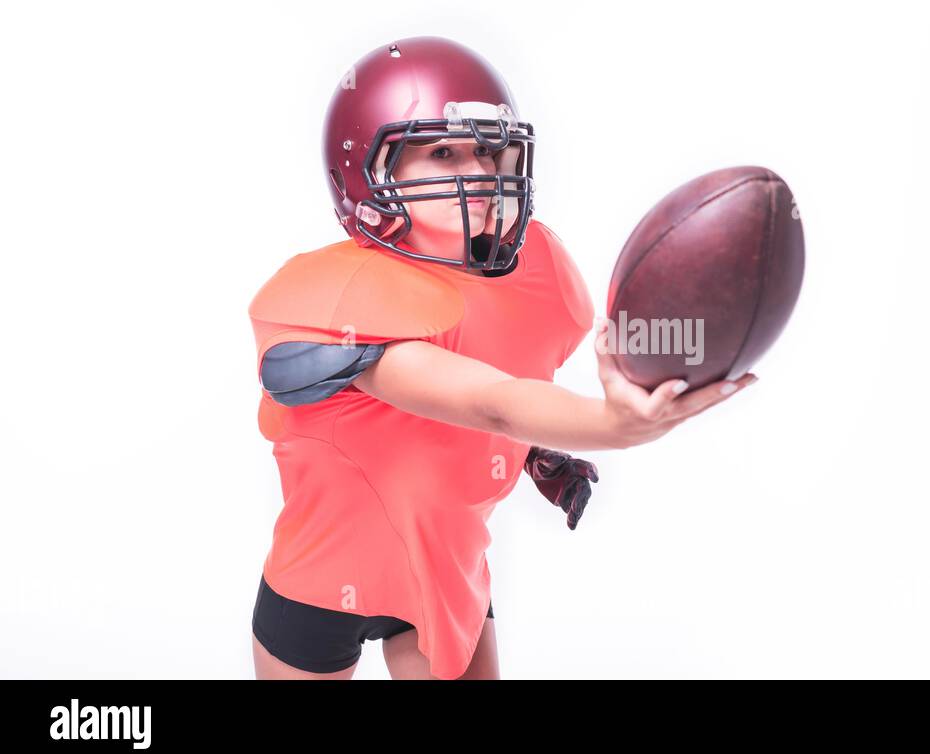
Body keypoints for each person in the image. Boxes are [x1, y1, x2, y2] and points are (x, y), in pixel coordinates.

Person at [247, 37, 756, 680]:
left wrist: (535, 453)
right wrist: (615, 424)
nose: (480, 172)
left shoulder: (529, 275)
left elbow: (506, 387)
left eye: (488, 151)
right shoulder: (345, 297)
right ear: (369, 172)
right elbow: (490, 401)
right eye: (441, 152)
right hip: (319, 588)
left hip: (445, 567)